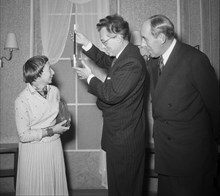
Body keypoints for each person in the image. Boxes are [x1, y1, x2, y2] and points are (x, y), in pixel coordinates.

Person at [140, 14, 219, 196]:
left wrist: (213, 144)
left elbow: (215, 107)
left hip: (191, 157)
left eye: (145, 38)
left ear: (161, 38)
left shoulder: (195, 60)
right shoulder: (154, 62)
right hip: (167, 154)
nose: (143, 44)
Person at [72, 14, 147, 196]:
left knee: (125, 189)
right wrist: (87, 43)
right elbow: (106, 60)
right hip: (118, 137)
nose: (104, 46)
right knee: (118, 187)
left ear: (119, 37)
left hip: (125, 141)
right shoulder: (124, 55)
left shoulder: (131, 61)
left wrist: (89, 76)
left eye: (105, 41)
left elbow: (111, 94)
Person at [15, 55, 70, 196]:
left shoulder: (55, 92)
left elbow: (55, 116)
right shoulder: (22, 100)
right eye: (49, 69)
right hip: (34, 152)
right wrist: (51, 130)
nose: (53, 72)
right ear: (37, 74)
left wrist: (64, 121)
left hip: (54, 147)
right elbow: (23, 135)